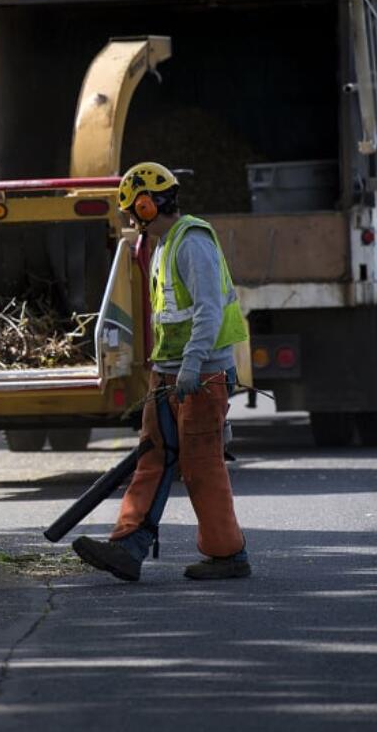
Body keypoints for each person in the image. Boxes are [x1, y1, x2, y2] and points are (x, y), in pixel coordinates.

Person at [72, 162, 251, 581]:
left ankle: (228, 555)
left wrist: (190, 365)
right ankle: (127, 547)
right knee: (152, 458)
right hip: (169, 373)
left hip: (201, 375)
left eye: (134, 213)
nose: (133, 221)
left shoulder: (192, 243)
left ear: (148, 206)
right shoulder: (161, 245)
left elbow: (208, 310)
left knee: (202, 465)